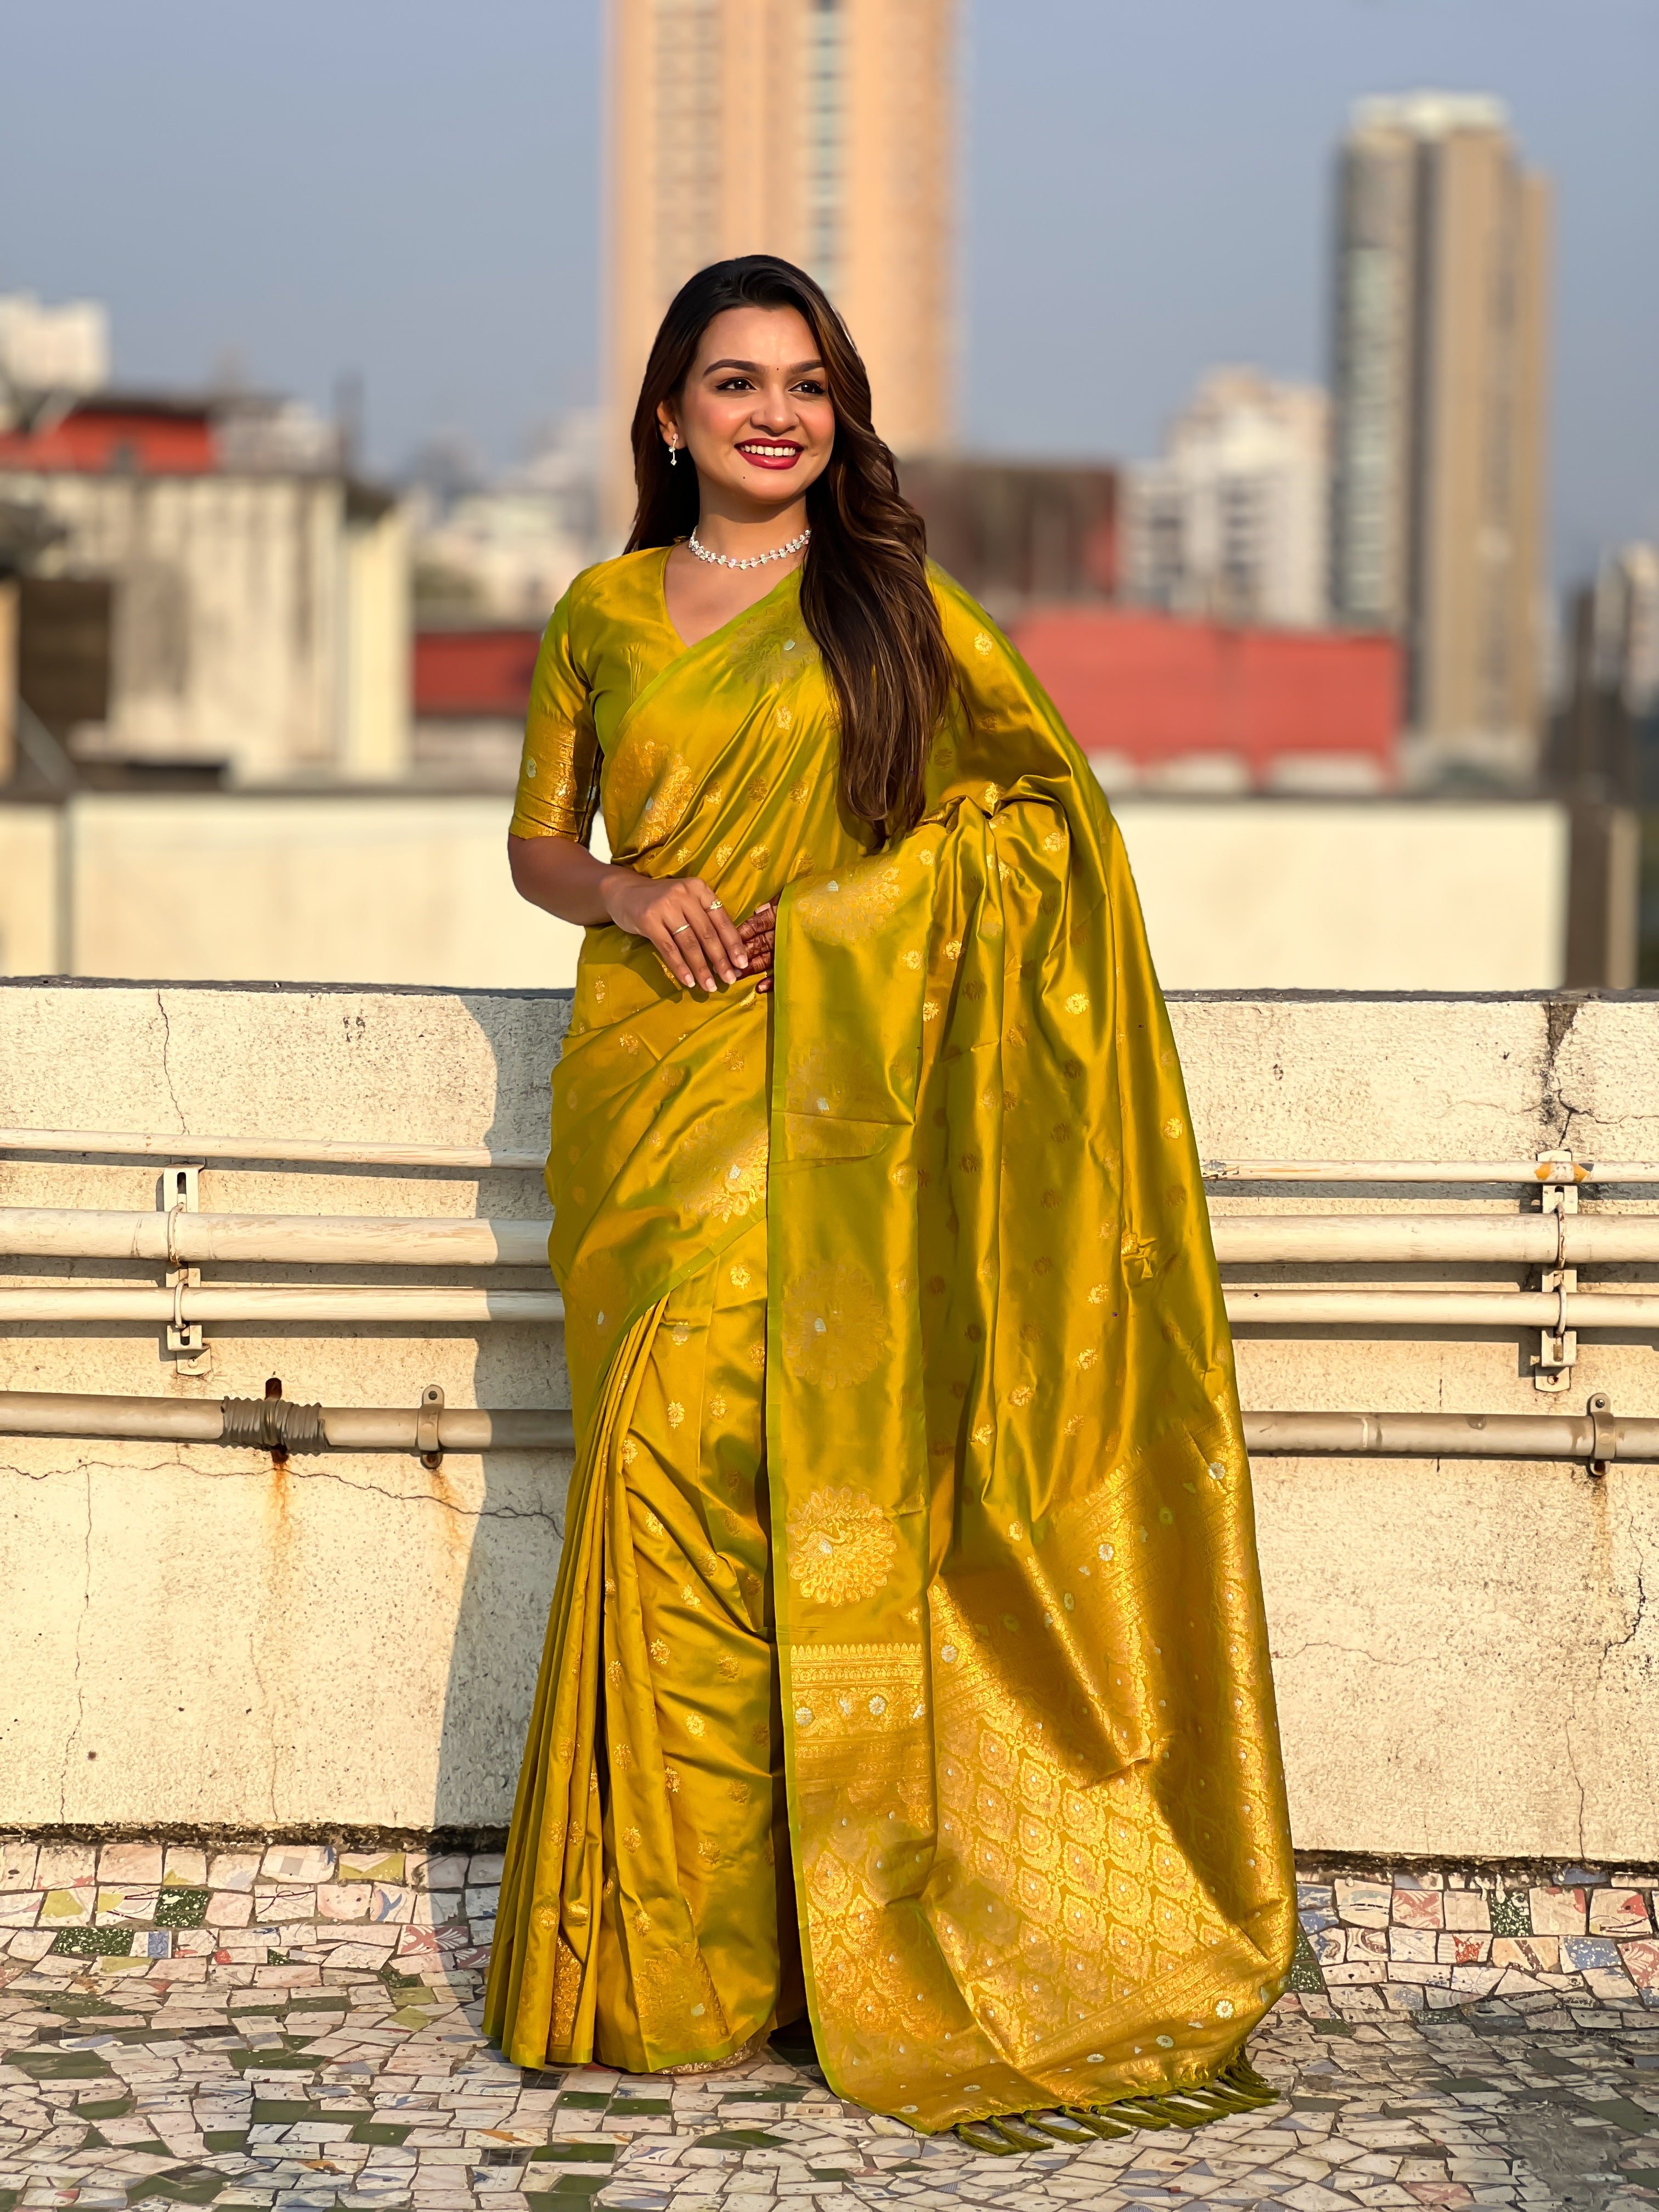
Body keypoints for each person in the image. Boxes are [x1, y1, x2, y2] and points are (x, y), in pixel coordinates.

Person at [485, 254, 1295, 2151]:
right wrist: (624, 896)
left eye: (809, 384)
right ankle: (660, 1966)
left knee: (801, 1488)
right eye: (734, 380)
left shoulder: (897, 608)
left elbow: (1038, 830)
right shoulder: (600, 611)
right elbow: (543, 836)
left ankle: (808, 1950)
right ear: (669, 416)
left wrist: (854, 918)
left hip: (833, 1100)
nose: (775, 411)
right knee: (662, 1484)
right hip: (645, 1091)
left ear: (838, 416)